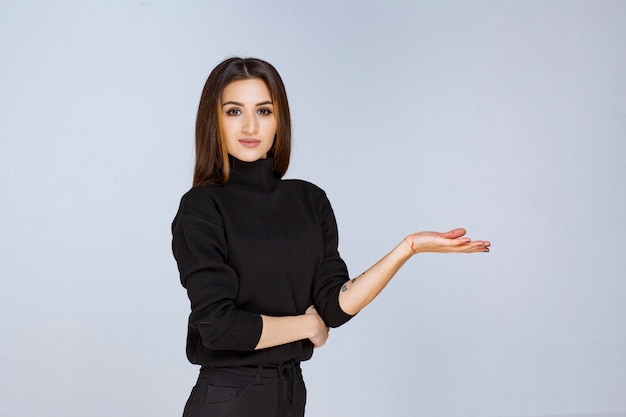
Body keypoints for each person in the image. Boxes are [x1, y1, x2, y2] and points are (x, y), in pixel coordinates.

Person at [171, 57, 490, 417]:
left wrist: (407, 248)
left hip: (291, 391)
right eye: (233, 111)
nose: (249, 125)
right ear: (213, 120)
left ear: (280, 121)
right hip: (229, 394)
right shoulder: (202, 207)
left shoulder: (309, 200)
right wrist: (306, 326)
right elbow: (219, 327)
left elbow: (334, 306)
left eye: (263, 111)